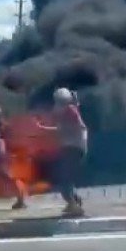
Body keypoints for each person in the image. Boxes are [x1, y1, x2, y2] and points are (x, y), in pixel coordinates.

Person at [37, 87, 88, 217]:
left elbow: (75, 127)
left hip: (73, 147)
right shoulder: (68, 111)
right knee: (65, 176)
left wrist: (45, 129)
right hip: (72, 146)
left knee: (65, 177)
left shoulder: (70, 111)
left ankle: (74, 205)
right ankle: (73, 202)